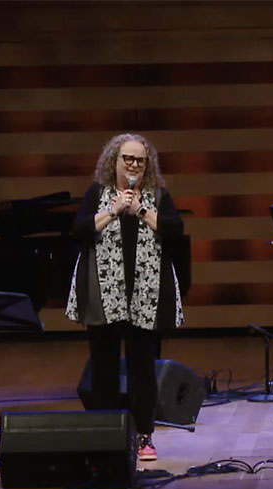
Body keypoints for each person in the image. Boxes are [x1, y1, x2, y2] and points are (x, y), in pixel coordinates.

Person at [69, 133, 185, 462]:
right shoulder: (97, 194)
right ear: (113, 162)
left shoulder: (158, 196)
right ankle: (107, 434)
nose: (133, 165)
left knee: (143, 368)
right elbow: (78, 230)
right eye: (127, 159)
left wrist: (141, 210)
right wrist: (114, 210)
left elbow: (175, 230)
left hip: (145, 293)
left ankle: (144, 435)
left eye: (140, 160)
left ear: (148, 166)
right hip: (105, 294)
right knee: (103, 366)